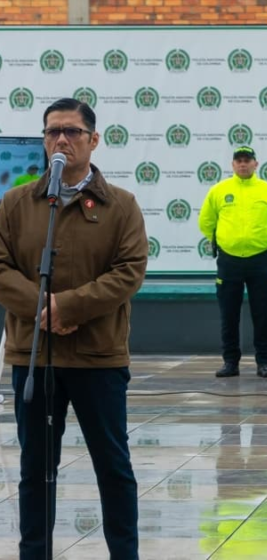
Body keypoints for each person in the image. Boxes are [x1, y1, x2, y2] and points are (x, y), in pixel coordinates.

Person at [0, 97, 148, 559]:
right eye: (52, 132)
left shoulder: (120, 205)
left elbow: (129, 271)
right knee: (35, 468)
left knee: (113, 465)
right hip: (33, 355)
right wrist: (41, 308)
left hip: (97, 358)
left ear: (93, 140)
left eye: (72, 132)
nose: (61, 140)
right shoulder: (18, 203)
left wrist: (69, 307)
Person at [199, 146, 267, 379]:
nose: (243, 164)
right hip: (229, 262)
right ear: (233, 165)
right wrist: (223, 241)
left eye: (247, 160)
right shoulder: (219, 191)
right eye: (239, 161)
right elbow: (206, 221)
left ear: (256, 164)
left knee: (262, 314)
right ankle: (230, 362)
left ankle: (263, 362)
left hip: (259, 261)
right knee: (229, 315)